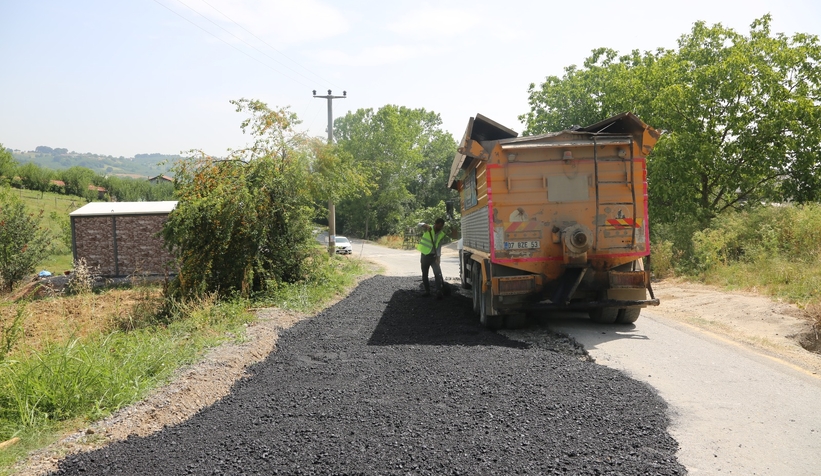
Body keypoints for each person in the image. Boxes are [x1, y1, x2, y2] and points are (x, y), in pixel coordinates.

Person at [416, 218, 447, 298]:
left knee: (437, 274)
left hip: (434, 256)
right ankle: (427, 291)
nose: (440, 228)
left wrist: (438, 257)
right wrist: (425, 225)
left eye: (442, 226)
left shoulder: (441, 234)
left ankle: (438, 291)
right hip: (425, 255)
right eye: (439, 226)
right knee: (425, 274)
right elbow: (418, 225)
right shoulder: (428, 229)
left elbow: (439, 247)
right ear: (435, 224)